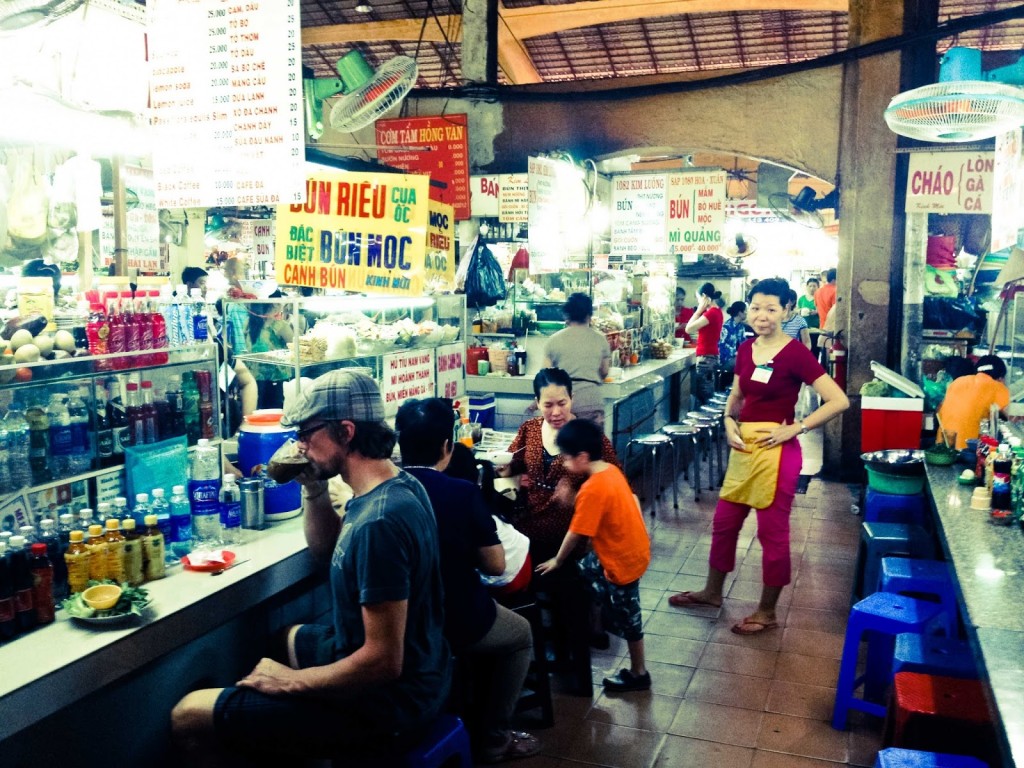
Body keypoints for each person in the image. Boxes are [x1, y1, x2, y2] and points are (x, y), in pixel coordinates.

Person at [170, 370, 449, 764]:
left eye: (306, 433)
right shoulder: (392, 486)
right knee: (281, 639)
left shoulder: (380, 522)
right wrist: (314, 488)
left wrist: (293, 683)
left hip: (390, 704)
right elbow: (329, 555)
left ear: (346, 431)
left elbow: (383, 661)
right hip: (425, 672)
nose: (298, 444)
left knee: (190, 714)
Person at [668, 277, 849, 635]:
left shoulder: (795, 353)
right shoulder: (746, 349)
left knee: (772, 534)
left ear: (787, 310)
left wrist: (796, 428)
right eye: (755, 307)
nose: (761, 315)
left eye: (770, 308)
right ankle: (712, 592)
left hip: (778, 454)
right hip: (743, 448)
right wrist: (728, 422)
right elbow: (736, 396)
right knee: (723, 525)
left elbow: (839, 400)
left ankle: (767, 611)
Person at [396, 398, 541, 763]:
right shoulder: (460, 492)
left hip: (399, 622)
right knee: (521, 634)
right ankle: (493, 736)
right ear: (447, 447)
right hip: (455, 618)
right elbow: (494, 565)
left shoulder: (386, 490)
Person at [536, 418, 652, 693]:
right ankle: (596, 626)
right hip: (629, 550)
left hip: (622, 562)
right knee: (587, 571)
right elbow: (597, 504)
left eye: (566, 457)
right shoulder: (609, 471)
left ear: (583, 457)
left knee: (630, 619)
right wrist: (571, 498)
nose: (563, 463)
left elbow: (576, 532)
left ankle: (639, 672)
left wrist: (557, 560)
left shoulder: (591, 488)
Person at [500, 368, 621, 563]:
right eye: (547, 405)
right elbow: (517, 460)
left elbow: (616, 487)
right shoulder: (529, 429)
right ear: (537, 402)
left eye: (562, 403)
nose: (556, 412)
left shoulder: (589, 437)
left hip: (572, 538)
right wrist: (509, 469)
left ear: (572, 398)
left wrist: (575, 497)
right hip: (528, 529)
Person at [543, 293, 612, 426]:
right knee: (591, 446)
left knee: (565, 446)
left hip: (564, 403)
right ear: (589, 315)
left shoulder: (553, 340)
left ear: (567, 315)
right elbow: (604, 371)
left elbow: (545, 377)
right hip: (592, 401)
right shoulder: (600, 339)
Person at [937, 355, 1009, 450]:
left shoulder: (958, 381)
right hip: (968, 450)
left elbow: (939, 409)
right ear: (1000, 377)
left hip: (942, 448)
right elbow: (1011, 417)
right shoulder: (997, 387)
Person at [247, 297, 294, 410]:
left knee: (259, 409)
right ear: (274, 305)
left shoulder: (249, 322)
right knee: (275, 411)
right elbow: (295, 345)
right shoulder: (280, 325)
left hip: (254, 376)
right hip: (276, 376)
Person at [685, 282, 724, 405]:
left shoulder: (711, 313)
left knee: (704, 393)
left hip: (706, 358)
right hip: (710, 356)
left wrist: (699, 310)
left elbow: (689, 329)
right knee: (706, 390)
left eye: (698, 299)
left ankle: (705, 420)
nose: (698, 302)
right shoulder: (717, 312)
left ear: (704, 297)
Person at [718, 301, 750, 377]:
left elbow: (744, 343)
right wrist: (736, 353)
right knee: (745, 363)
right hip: (724, 360)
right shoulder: (726, 327)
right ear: (740, 312)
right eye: (745, 310)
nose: (747, 313)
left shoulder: (741, 326)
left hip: (734, 358)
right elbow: (720, 347)